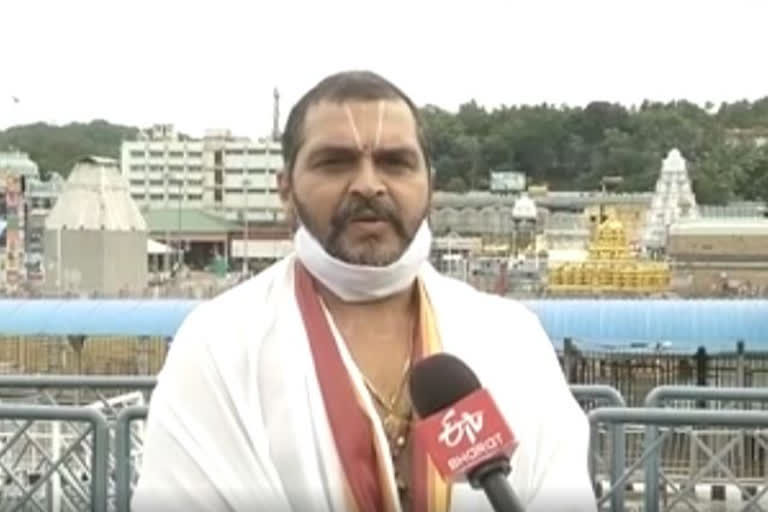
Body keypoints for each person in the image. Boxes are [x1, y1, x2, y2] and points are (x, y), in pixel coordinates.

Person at [131, 70, 596, 512]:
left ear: (430, 185)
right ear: (285, 188)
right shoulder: (218, 345)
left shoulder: (512, 339)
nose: (369, 184)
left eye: (396, 162)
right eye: (335, 163)